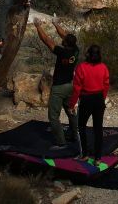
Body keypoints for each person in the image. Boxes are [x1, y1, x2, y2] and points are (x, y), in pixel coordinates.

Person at [34, 20, 80, 150]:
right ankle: (76, 136)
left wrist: (38, 26)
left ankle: (61, 143)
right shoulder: (75, 51)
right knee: (71, 112)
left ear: (65, 43)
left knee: (53, 116)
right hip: (70, 86)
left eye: (64, 40)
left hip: (59, 87)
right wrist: (55, 24)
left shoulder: (62, 52)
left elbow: (47, 40)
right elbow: (64, 35)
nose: (62, 39)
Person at [69, 45, 110, 164]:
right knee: (98, 128)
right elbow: (106, 85)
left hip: (86, 98)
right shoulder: (103, 67)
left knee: (81, 126)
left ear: (88, 54)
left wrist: (72, 104)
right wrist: (102, 98)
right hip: (98, 98)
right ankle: (97, 158)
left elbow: (77, 88)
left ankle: (85, 154)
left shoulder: (81, 67)